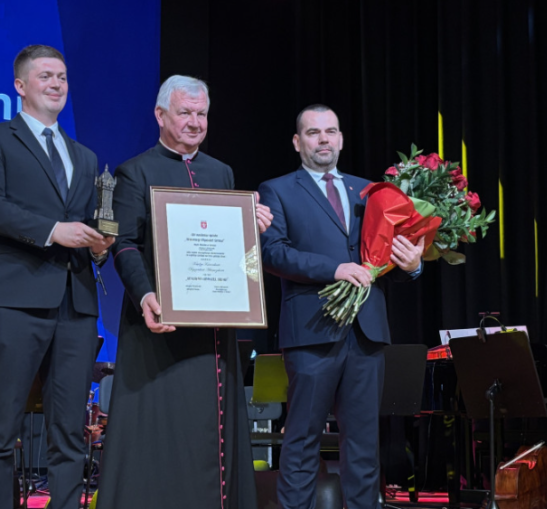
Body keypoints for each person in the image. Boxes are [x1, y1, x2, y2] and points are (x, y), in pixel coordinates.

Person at [95, 75, 273, 509]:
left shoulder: (221, 172)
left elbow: (228, 248)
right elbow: (126, 244)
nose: (195, 122)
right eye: (185, 112)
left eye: (202, 114)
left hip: (213, 331)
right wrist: (145, 296)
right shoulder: (135, 171)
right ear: (160, 115)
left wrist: (251, 228)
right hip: (158, 324)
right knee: (160, 435)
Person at [0, 44, 114, 509]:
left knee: (69, 433)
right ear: (20, 85)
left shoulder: (84, 156)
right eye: (46, 75)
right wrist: (53, 231)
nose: (56, 84)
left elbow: (89, 223)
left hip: (77, 305)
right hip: (15, 301)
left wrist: (99, 245)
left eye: (62, 77)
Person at [258, 104, 424, 509]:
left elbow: (382, 262)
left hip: (365, 334)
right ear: (297, 142)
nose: (323, 140)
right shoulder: (277, 189)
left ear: (341, 139)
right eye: (313, 133)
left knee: (364, 447)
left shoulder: (370, 191)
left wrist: (412, 266)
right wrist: (334, 269)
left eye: (330, 131)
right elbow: (274, 253)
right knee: (302, 442)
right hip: (311, 331)